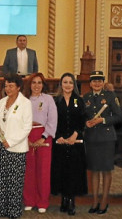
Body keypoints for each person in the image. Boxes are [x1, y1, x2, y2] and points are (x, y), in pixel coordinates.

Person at [0, 73, 32, 218]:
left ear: (18, 87)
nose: (7, 88)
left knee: (15, 181)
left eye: (11, 86)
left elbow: (27, 128)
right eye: (6, 85)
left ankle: (13, 211)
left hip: (16, 148)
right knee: (1, 178)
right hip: (1, 145)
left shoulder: (25, 103)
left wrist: (11, 141)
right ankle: (0, 209)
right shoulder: (2, 102)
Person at [83, 71, 122, 215]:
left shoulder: (110, 96)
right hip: (92, 138)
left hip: (107, 138)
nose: (97, 83)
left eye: (100, 80)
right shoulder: (86, 97)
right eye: (94, 81)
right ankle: (94, 201)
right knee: (94, 170)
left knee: (106, 170)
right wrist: (85, 123)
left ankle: (104, 201)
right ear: (90, 83)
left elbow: (119, 117)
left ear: (103, 82)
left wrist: (103, 120)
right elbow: (83, 116)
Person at [50, 73, 87, 216]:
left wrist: (75, 135)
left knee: (73, 171)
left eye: (70, 82)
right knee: (61, 171)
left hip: (75, 142)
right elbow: (52, 120)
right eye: (65, 82)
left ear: (74, 85)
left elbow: (82, 120)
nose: (68, 85)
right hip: (59, 142)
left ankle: (71, 200)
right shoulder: (55, 101)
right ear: (61, 84)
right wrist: (58, 136)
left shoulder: (79, 100)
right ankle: (63, 198)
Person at [23, 72, 58, 214]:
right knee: (29, 170)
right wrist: (24, 137)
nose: (36, 85)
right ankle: (29, 200)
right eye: (34, 82)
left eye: (39, 83)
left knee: (43, 171)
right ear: (29, 85)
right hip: (26, 136)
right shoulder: (23, 100)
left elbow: (53, 119)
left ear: (43, 85)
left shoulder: (48, 99)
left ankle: (43, 201)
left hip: (44, 135)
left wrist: (43, 137)